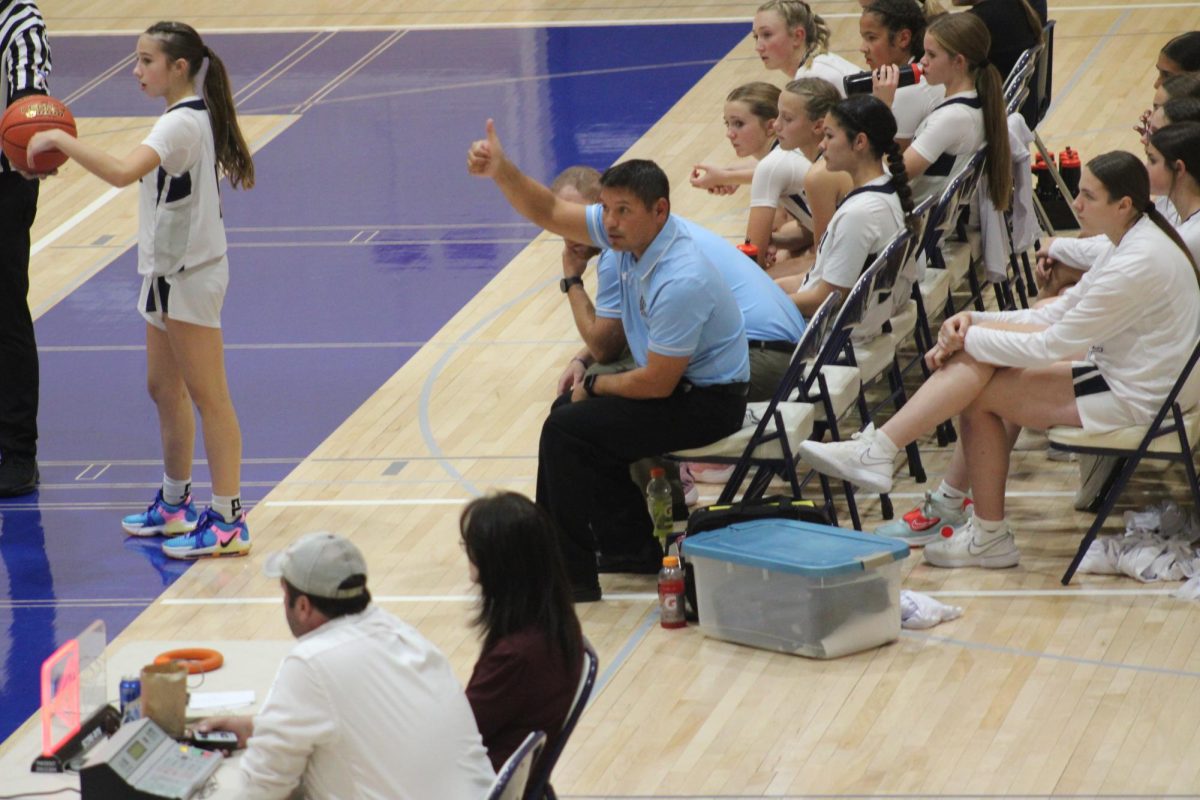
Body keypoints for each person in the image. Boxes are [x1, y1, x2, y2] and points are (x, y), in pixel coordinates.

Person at [799, 151, 1200, 568]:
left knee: (981, 393)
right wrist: (973, 319)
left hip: (1144, 397)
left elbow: (1052, 344)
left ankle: (948, 502)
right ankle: (897, 462)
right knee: (985, 373)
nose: (1076, 204)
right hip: (1138, 377)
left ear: (1123, 205)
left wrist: (968, 340)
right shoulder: (1132, 239)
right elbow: (1052, 314)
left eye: (1087, 196)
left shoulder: (1136, 261)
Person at [467, 123, 750, 600]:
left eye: (623, 212)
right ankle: (629, 547)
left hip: (710, 402)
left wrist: (595, 387)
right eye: (607, 211)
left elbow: (658, 384)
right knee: (569, 419)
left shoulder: (680, 277)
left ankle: (566, 575)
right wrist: (502, 171)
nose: (610, 223)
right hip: (681, 387)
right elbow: (552, 210)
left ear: (659, 211)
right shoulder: (631, 237)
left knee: (568, 429)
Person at [28, 22, 251, 557]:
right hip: (163, 272)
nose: (135, 70)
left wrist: (62, 140)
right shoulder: (184, 116)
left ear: (178, 67)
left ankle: (227, 521)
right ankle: (176, 505)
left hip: (191, 275)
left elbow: (123, 173)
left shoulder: (181, 124)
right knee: (161, 387)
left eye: (146, 60)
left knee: (209, 397)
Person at [195, 532, 495, 799]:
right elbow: (368, 723)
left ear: (302, 605)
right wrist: (258, 728)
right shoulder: (403, 634)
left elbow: (260, 790)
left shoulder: (310, 663)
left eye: (285, 592)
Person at [460, 492, 585, 773]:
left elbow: (461, 732)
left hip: (483, 781)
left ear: (498, 561)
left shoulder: (516, 655)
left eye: (471, 547)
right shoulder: (554, 621)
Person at [780, 95, 918, 326]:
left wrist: (773, 305)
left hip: (830, 332)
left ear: (860, 142)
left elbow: (827, 298)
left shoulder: (859, 214)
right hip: (854, 319)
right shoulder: (885, 187)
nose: (821, 144)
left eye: (829, 136)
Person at [874, 11, 1012, 209]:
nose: (922, 61)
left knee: (829, 178)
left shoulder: (952, 118)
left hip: (905, 215)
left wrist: (883, 109)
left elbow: (893, 178)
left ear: (959, 62)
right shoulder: (976, 100)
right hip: (913, 207)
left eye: (931, 55)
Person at [0, 0, 52, 497]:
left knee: (5, 314)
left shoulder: (19, 19)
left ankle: (19, 451)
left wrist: (32, 129)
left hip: (4, 186)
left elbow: (29, 96)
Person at [746, 78, 849, 276]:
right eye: (778, 116)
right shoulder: (839, 153)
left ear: (818, 126)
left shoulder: (821, 175)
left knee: (760, 285)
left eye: (787, 119)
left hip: (865, 279)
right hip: (879, 265)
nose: (776, 125)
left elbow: (824, 265)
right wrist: (777, 241)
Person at [858, 0, 945, 146]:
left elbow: (886, 162)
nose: (862, 48)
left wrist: (881, 107)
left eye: (871, 38)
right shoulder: (919, 71)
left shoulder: (909, 91)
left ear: (903, 38)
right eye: (863, 38)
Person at [689, 82, 779, 194]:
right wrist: (730, 172)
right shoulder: (781, 155)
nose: (729, 134)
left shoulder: (786, 162)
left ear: (770, 126)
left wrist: (727, 177)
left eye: (739, 123)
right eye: (727, 123)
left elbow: (776, 172)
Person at [753, 0, 859, 88]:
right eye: (756, 37)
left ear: (797, 36)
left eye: (767, 35)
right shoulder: (817, 67)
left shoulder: (814, 78)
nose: (758, 47)